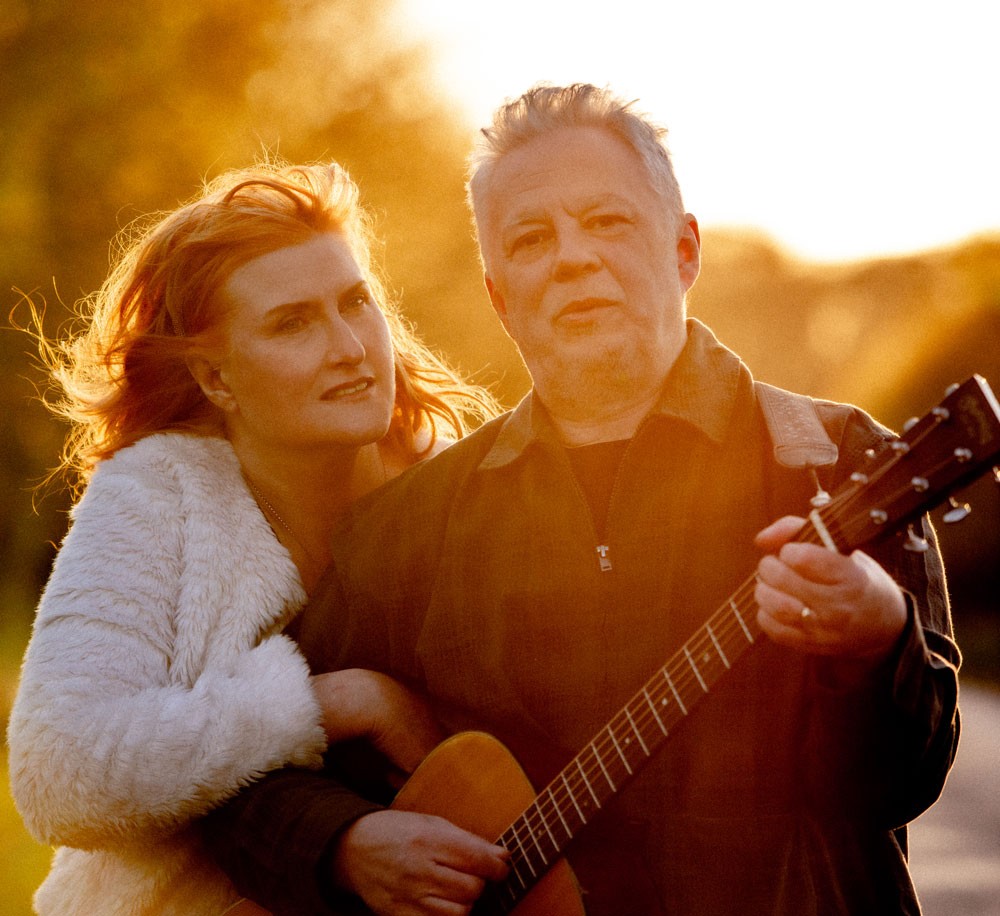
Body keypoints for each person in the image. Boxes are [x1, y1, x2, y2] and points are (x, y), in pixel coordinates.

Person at [202, 85, 960, 916]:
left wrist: (880, 642)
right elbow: (239, 771)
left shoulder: (838, 462)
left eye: (607, 221)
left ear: (684, 251)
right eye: (531, 238)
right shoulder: (408, 527)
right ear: (499, 295)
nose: (572, 257)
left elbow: (901, 785)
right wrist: (345, 844)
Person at [6, 160, 505, 916]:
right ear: (217, 379)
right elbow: (58, 770)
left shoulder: (454, 486)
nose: (349, 346)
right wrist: (335, 701)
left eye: (355, 302)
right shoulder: (158, 493)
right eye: (292, 323)